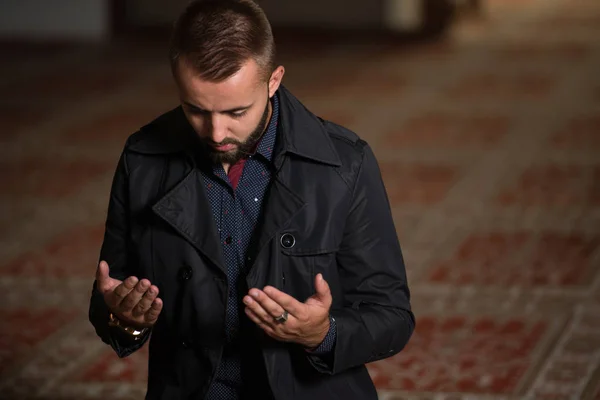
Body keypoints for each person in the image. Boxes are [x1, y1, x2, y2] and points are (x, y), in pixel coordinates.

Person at [88, 0, 415, 399]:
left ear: (273, 81)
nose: (216, 131)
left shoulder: (345, 163)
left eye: (237, 111)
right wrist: (126, 320)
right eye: (195, 110)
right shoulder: (143, 159)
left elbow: (393, 317)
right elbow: (110, 298)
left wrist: (322, 334)